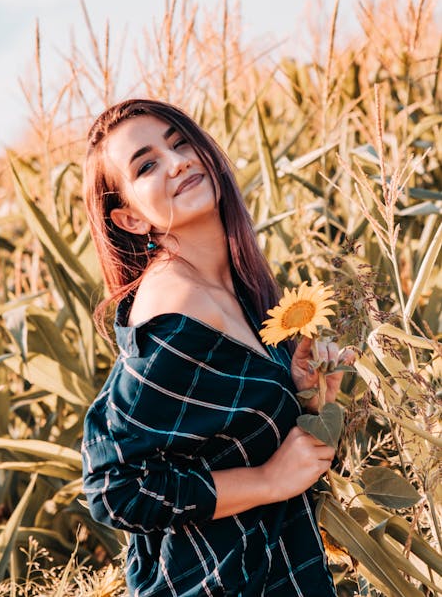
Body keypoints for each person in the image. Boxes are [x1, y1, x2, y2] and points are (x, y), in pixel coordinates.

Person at [81, 98, 350, 596]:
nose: (177, 161)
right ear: (131, 220)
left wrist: (299, 391)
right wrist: (268, 480)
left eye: (180, 143)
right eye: (147, 165)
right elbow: (112, 485)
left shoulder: (234, 286)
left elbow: (214, 433)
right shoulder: (174, 318)